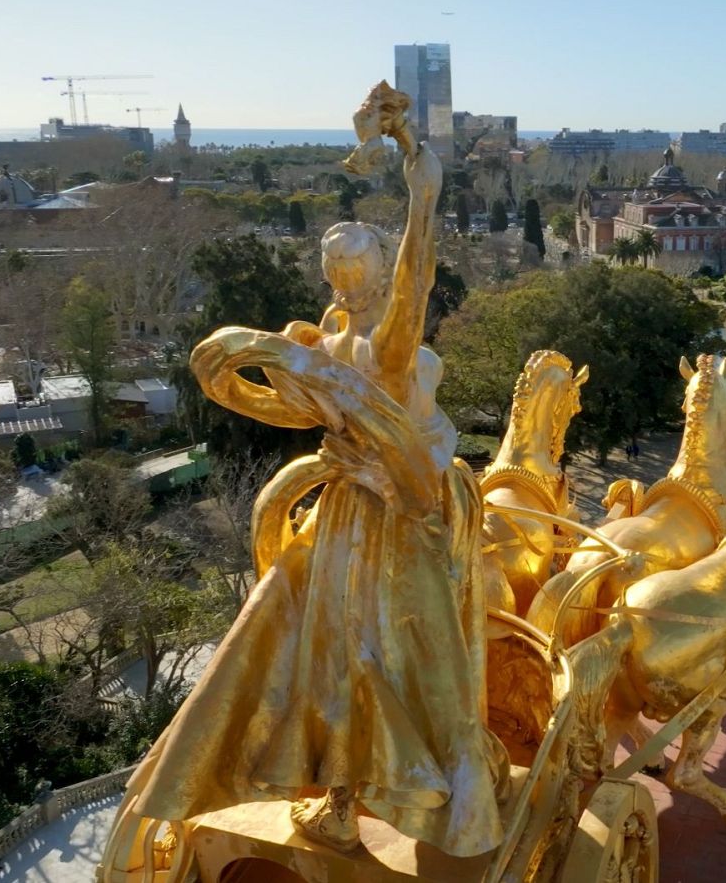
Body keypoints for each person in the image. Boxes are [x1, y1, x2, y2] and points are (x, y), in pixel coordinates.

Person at [121, 82, 506, 859]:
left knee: (401, 650)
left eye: (350, 264)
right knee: (339, 652)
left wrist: (422, 201)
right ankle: (348, 791)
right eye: (336, 266)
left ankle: (439, 780)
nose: (343, 277)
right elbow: (291, 403)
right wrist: (249, 364)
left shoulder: (385, 349)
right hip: (351, 514)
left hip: (401, 511)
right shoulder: (329, 347)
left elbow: (416, 282)